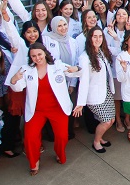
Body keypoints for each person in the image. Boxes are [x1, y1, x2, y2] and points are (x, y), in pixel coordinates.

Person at [9, 43, 80, 175]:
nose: (37, 58)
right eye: (33, 56)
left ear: (45, 53)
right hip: (36, 111)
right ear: (30, 57)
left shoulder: (57, 66)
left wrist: (76, 68)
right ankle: (34, 162)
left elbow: (75, 74)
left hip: (57, 109)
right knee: (30, 138)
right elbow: (18, 87)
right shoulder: (26, 70)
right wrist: (14, 79)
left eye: (39, 54)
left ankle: (60, 154)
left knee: (62, 136)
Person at [73, 27, 115, 153]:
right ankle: (96, 142)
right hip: (94, 95)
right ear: (89, 39)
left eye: (100, 36)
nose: (98, 39)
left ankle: (100, 137)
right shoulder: (85, 57)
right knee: (107, 121)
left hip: (106, 91)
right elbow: (84, 81)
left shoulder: (101, 51)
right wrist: (80, 103)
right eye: (94, 36)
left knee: (111, 120)